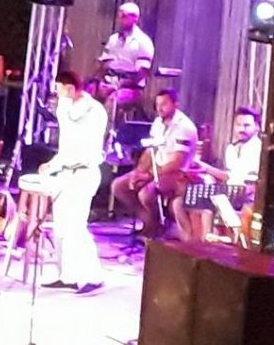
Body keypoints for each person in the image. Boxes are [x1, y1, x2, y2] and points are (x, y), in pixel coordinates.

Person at [36, 70, 107, 294]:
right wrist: (53, 164)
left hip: (83, 173)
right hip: (66, 173)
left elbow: (83, 146)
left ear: (69, 89)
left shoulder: (94, 111)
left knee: (76, 226)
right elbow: (66, 145)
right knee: (61, 227)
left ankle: (93, 276)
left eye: (59, 90)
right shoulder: (64, 108)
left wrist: (61, 163)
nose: (57, 95)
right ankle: (67, 275)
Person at [111, 89, 197, 241]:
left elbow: (177, 162)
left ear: (175, 104)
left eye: (164, 104)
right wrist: (138, 172)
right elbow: (150, 151)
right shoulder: (158, 123)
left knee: (146, 193)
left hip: (178, 174)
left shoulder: (184, 127)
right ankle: (149, 221)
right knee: (119, 186)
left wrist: (149, 175)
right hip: (157, 169)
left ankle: (159, 226)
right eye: (157, 104)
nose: (160, 108)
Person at [177, 106, 262, 242]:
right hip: (228, 194)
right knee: (179, 203)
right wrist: (205, 168)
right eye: (238, 125)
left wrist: (234, 193)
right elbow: (228, 176)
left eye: (246, 125)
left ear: (257, 127)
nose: (241, 129)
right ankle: (190, 244)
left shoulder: (260, 150)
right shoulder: (231, 149)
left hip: (247, 199)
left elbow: (255, 186)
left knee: (208, 208)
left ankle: (206, 247)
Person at [89, 2, 155, 118]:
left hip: (131, 87)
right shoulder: (113, 39)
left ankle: (108, 128)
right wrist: (97, 81)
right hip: (110, 80)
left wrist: (119, 85)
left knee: (113, 100)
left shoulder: (143, 41)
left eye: (124, 16)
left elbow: (142, 73)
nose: (120, 19)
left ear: (135, 18)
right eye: (119, 15)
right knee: (87, 93)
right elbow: (104, 64)